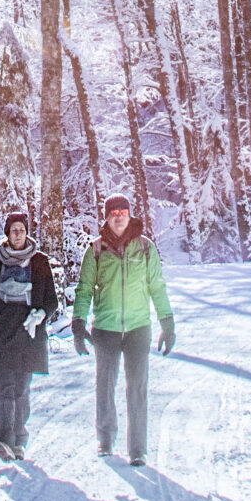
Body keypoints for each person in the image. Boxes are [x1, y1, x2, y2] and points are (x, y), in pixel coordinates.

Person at [70, 193, 174, 467]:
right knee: (105, 386)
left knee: (137, 388)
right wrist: (78, 323)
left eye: (123, 213)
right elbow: (83, 290)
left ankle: (137, 449)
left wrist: (167, 322)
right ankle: (105, 440)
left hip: (139, 327)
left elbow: (157, 287)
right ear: (106, 217)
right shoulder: (95, 250)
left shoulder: (145, 247)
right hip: (105, 328)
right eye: (113, 213)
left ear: (129, 215)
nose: (118, 218)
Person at [0, 210, 56, 460]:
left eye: (21, 229)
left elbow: (51, 300)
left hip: (27, 331)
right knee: (4, 389)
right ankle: (4, 441)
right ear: (7, 233)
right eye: (13, 230)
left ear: (26, 232)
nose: (18, 234)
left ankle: (19, 441)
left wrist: (40, 314)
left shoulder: (39, 262)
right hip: (1, 330)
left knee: (21, 388)